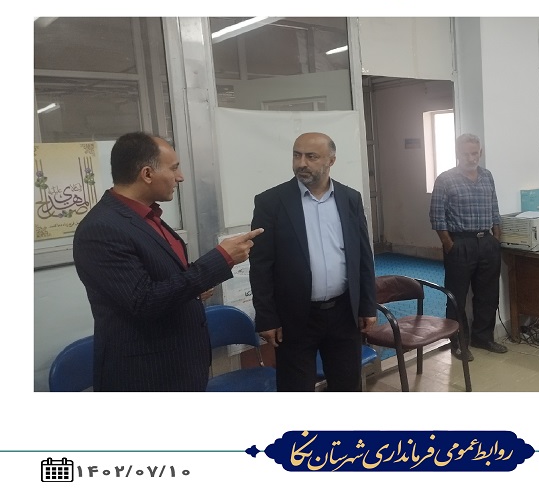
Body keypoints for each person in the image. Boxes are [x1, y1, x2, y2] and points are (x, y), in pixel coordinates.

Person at [73, 132, 262, 391]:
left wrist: (196, 289)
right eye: (174, 168)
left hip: (182, 366)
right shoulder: (102, 229)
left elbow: (161, 281)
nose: (180, 177)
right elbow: (144, 301)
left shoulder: (146, 217)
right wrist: (221, 258)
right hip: (147, 376)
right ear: (147, 174)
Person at [249, 132, 377, 392]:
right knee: (296, 389)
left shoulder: (350, 199)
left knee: (347, 386)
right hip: (295, 317)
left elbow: (362, 256)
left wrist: (367, 305)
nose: (301, 163)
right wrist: (266, 317)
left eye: (311, 157)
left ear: (331, 160)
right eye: (297, 155)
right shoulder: (271, 202)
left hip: (344, 313)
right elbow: (261, 265)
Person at [429, 133, 506, 362]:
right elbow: (436, 216)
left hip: (487, 243)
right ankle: (458, 342)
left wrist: (496, 237)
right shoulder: (445, 179)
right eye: (466, 154)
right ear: (457, 154)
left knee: (488, 294)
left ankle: (483, 338)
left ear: (480, 153)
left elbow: (494, 208)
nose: (471, 158)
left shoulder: (487, 176)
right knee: (457, 297)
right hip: (460, 243)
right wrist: (449, 244)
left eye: (475, 153)